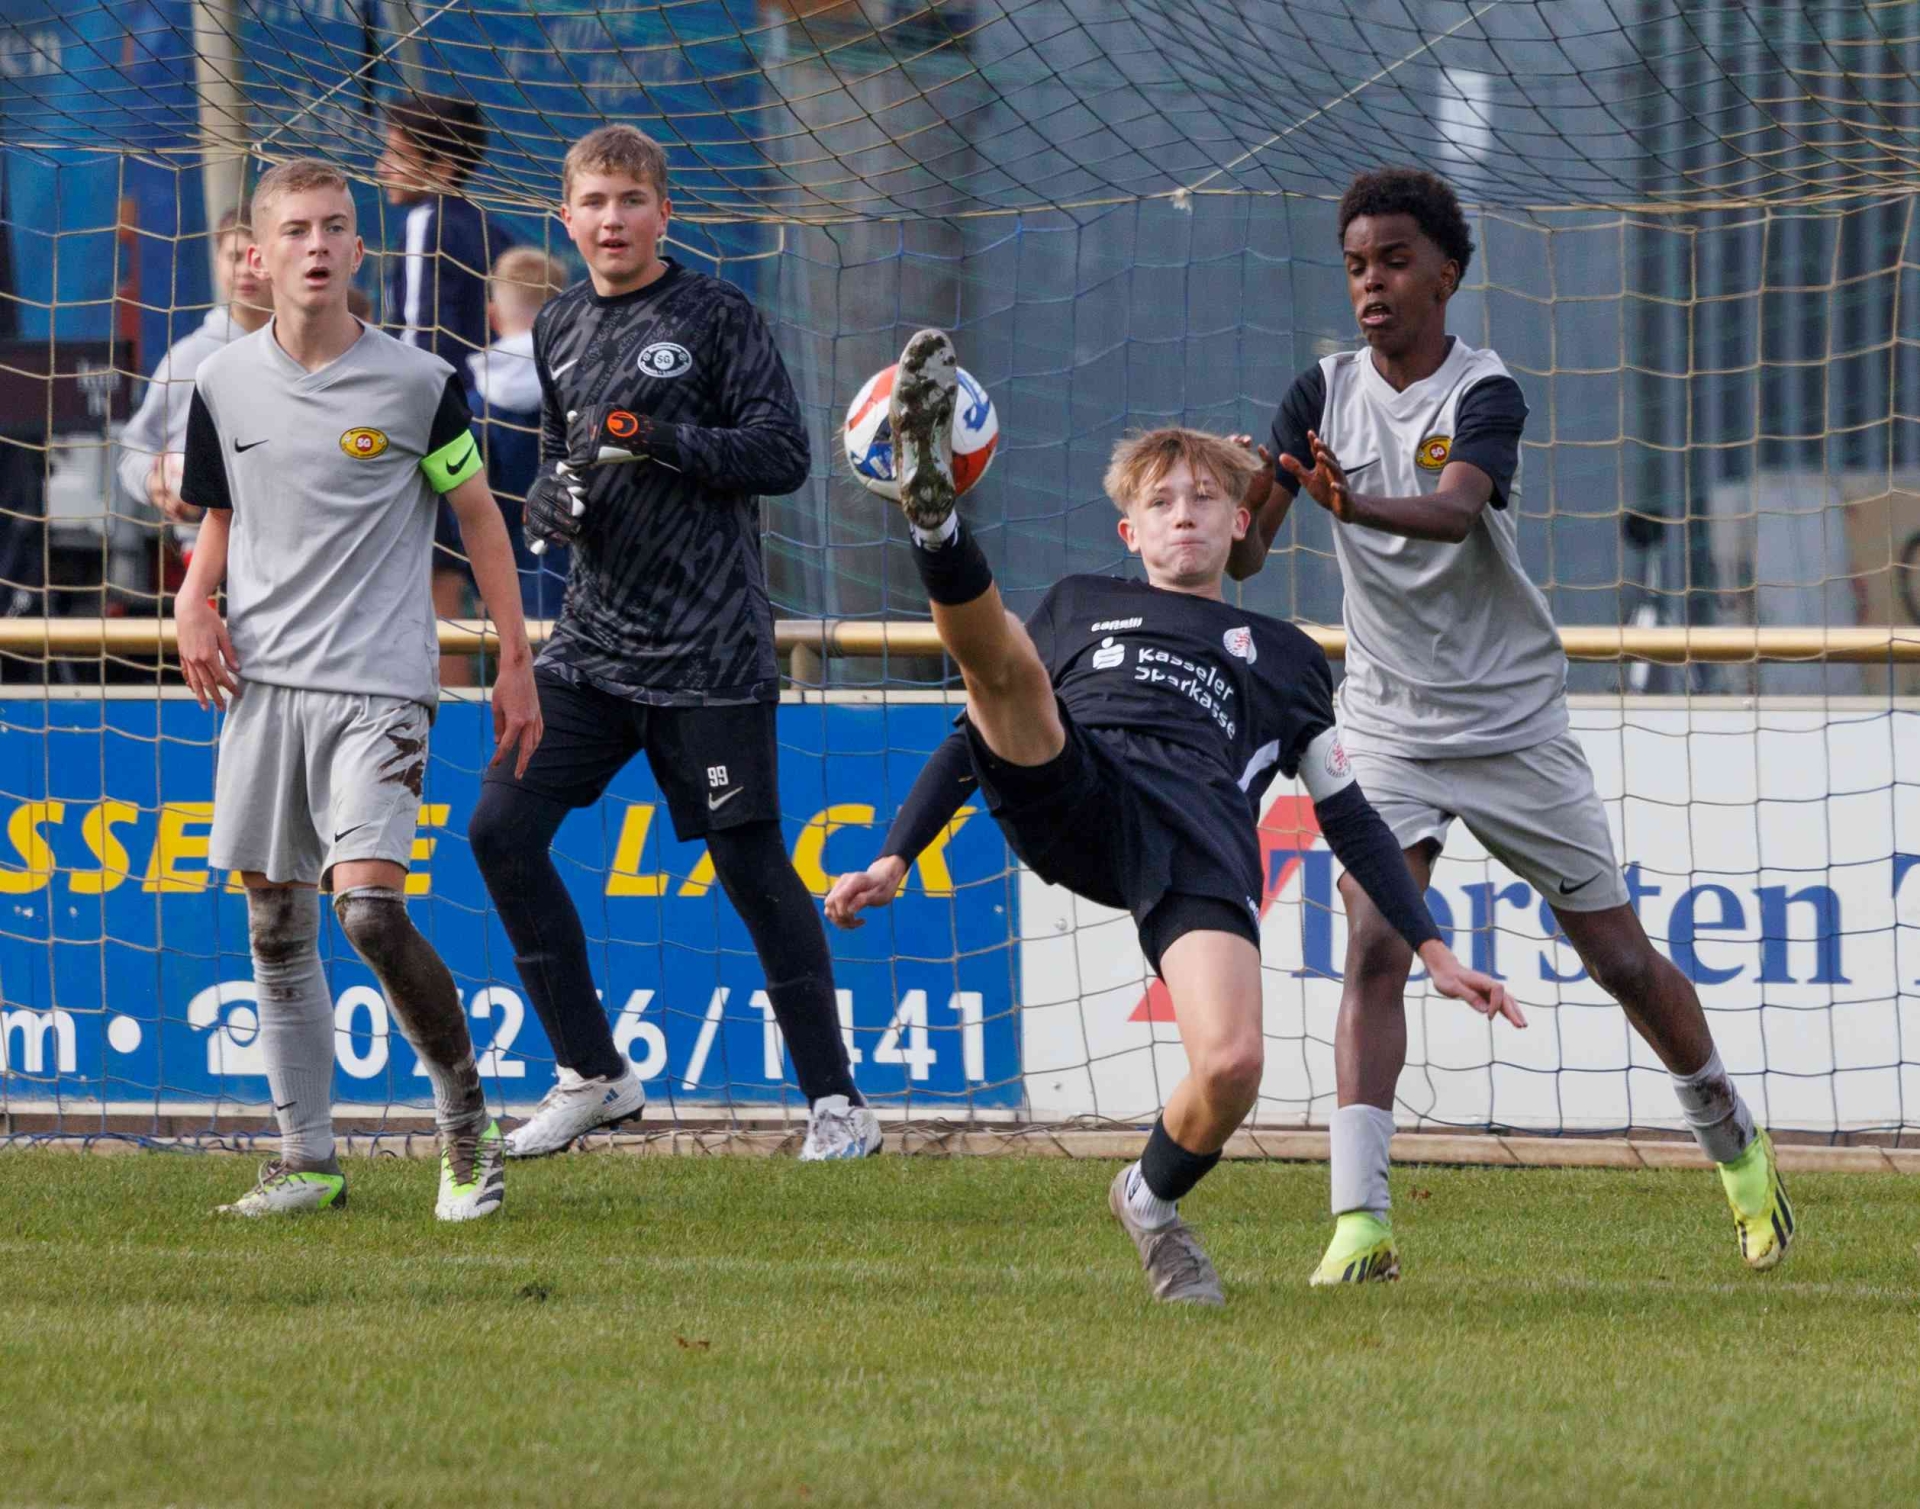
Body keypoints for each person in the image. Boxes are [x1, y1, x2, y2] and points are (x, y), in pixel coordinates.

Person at [827, 331, 1517, 1304]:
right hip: (1074, 780)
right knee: (1007, 666)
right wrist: (896, 856)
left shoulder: (1286, 655)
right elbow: (970, 733)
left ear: (1241, 522)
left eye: (1202, 498)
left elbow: (1350, 814)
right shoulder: (1079, 604)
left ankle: (1148, 1200)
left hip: (1197, 839)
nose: (1183, 513)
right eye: (1160, 502)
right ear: (1130, 533)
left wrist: (1434, 948)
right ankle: (936, 528)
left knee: (1232, 1065)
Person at [1231, 166, 1795, 1282]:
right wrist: (1226, 509)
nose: (1371, 284)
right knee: (1375, 944)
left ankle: (1741, 1154)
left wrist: (1352, 504)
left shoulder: (1486, 392)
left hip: (1511, 720)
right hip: (1388, 722)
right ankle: (1360, 1224)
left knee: (1620, 961)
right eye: (1355, 266)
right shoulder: (1318, 393)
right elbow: (1251, 554)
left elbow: (1451, 514)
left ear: (1446, 273)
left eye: (1394, 261)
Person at [466, 125, 878, 1161]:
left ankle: (838, 1104)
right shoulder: (557, 323)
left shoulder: (718, 313)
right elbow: (562, 459)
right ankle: (594, 1075)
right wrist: (549, 501)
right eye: (594, 202)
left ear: (664, 214)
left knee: (752, 871)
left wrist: (656, 439)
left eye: (631, 201)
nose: (612, 220)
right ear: (566, 218)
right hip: (592, 647)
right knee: (499, 831)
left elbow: (782, 453)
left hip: (710, 653)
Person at [174, 157, 543, 1220]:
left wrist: (515, 659)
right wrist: (195, 596)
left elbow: (479, 517)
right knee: (276, 924)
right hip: (263, 685)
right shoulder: (222, 382)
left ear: (358, 246)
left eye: (335, 226)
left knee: (371, 912)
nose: (318, 246)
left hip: (380, 683)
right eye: (297, 230)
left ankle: (466, 1131)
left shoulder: (417, 384)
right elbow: (222, 511)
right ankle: (307, 1160)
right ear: (258, 254)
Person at [375, 92, 509, 685]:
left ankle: (442, 706)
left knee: (437, 576)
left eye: (396, 154)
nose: (381, 167)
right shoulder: (490, 230)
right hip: (490, 419)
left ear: (443, 166)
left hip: (438, 423)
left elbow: (417, 337)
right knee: (476, 572)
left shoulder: (426, 222)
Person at [116, 209, 273, 531]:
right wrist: (153, 481)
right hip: (205, 548)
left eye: (257, 257)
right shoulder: (188, 358)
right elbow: (134, 447)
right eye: (234, 256)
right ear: (217, 262)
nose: (245, 269)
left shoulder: (303, 353)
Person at [465, 246, 571, 620]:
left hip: (509, 587)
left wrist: (479, 585)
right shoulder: (585, 391)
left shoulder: (473, 409)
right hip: (587, 591)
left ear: (492, 316)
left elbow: (466, 508)